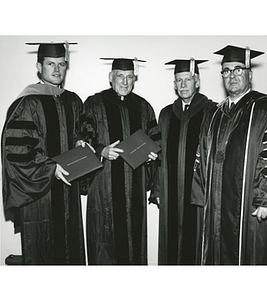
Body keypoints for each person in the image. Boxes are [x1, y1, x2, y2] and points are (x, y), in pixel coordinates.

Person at [200, 45, 267, 265]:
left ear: (249, 74)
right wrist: (202, 199)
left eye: (238, 69)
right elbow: (203, 158)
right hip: (217, 208)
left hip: (252, 209)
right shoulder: (216, 113)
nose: (232, 76)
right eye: (226, 71)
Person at [1, 42, 86, 265]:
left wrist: (81, 141)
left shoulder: (73, 101)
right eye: (50, 64)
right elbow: (16, 151)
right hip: (41, 192)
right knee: (44, 249)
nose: (57, 69)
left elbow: (82, 133)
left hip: (68, 189)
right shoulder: (27, 103)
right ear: (39, 66)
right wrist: (50, 169)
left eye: (61, 64)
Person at [81, 57, 159, 265]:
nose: (125, 82)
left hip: (135, 188)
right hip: (104, 187)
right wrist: (101, 150)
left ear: (135, 79)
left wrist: (153, 157)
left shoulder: (144, 107)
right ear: (110, 77)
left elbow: (154, 141)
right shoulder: (94, 104)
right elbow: (81, 141)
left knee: (133, 243)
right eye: (120, 76)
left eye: (129, 77)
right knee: (105, 242)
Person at [150, 58, 216, 264]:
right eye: (179, 80)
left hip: (198, 192)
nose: (183, 85)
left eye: (188, 80)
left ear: (197, 81)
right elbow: (159, 155)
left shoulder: (212, 111)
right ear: (174, 84)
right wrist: (159, 189)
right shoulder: (167, 114)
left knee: (195, 242)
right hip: (170, 192)